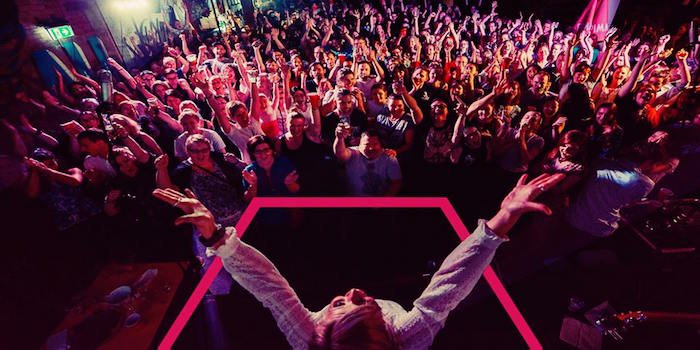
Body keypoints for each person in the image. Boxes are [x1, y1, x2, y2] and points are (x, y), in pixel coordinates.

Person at [153, 173, 565, 350]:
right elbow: (448, 286)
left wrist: (216, 237)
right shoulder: (409, 335)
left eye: (339, 305)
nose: (352, 291)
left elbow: (270, 287)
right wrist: (500, 222)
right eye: (363, 304)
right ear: (388, 333)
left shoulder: (307, 336)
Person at [334, 128, 402, 197]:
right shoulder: (353, 153)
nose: (371, 148)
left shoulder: (389, 156)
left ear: (381, 144)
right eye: (367, 144)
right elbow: (340, 154)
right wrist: (339, 138)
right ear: (359, 145)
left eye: (375, 144)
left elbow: (396, 183)